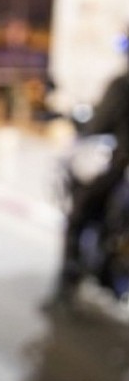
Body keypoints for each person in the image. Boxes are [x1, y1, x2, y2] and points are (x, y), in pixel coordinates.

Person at [43, 38, 129, 309]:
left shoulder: (122, 86)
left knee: (78, 216)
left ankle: (67, 281)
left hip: (119, 168)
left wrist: (89, 127)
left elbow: (98, 124)